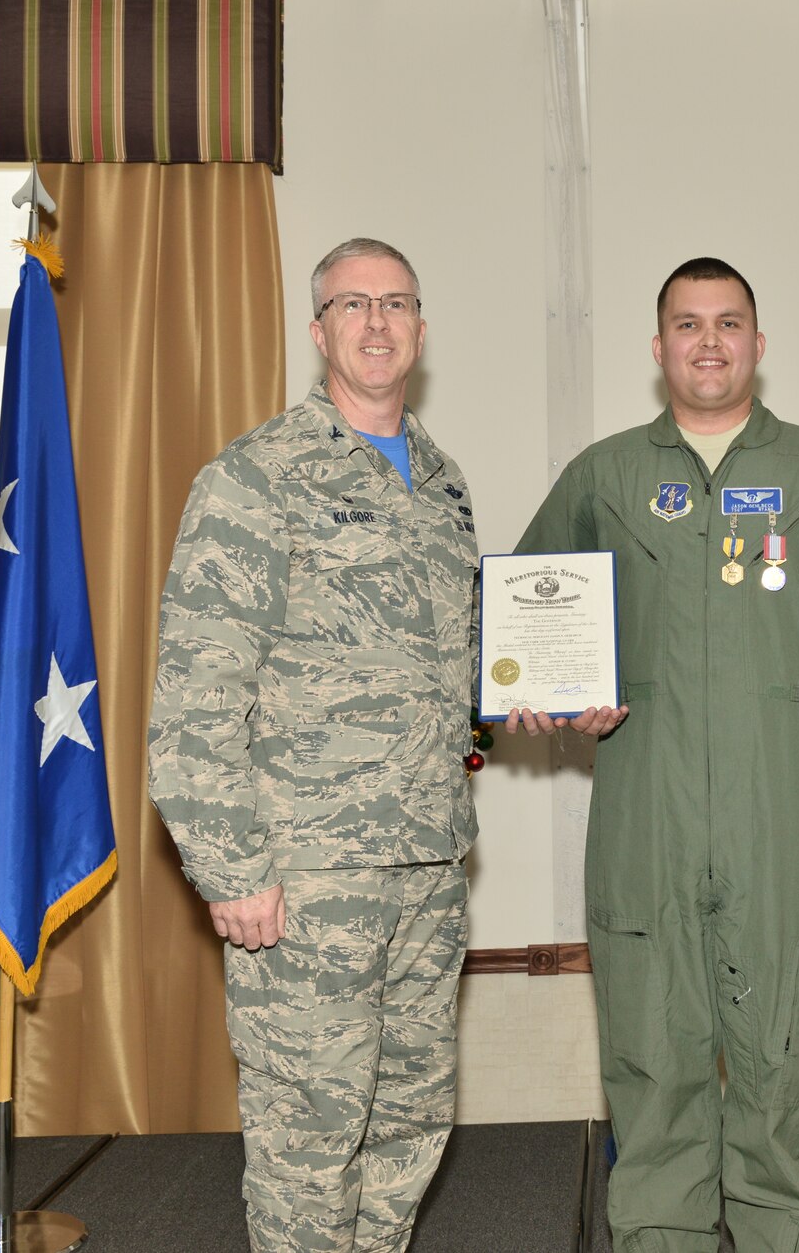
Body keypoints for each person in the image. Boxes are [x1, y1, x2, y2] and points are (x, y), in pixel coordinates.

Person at [507, 257, 799, 1252]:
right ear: (658, 350)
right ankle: (659, 1236)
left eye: (726, 323)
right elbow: (525, 607)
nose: (706, 341)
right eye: (686, 324)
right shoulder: (604, 475)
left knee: (777, 1051)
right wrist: (549, 696)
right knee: (652, 1053)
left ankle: (780, 1233)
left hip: (779, 811)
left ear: (757, 344)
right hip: (645, 813)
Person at [149, 238, 478, 1253]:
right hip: (305, 875)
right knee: (309, 1134)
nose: (376, 324)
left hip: (427, 864)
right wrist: (231, 868)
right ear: (318, 328)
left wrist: (546, 697)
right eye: (352, 305)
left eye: (395, 304)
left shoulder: (444, 484)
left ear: (420, 328)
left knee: (412, 1118)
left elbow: (454, 673)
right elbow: (195, 693)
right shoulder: (256, 477)